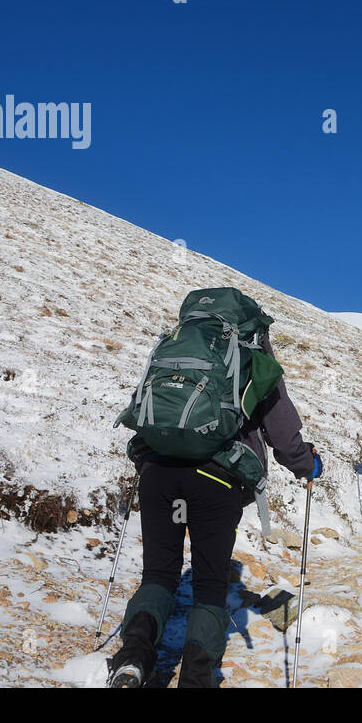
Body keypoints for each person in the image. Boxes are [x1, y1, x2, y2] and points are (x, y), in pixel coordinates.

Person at [108, 289, 321, 689]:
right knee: (208, 584)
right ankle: (197, 678)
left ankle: (133, 658)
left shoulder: (173, 347)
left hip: (158, 471)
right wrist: (307, 464)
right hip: (215, 479)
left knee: (158, 573)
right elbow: (282, 431)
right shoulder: (254, 358)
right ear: (251, 325)